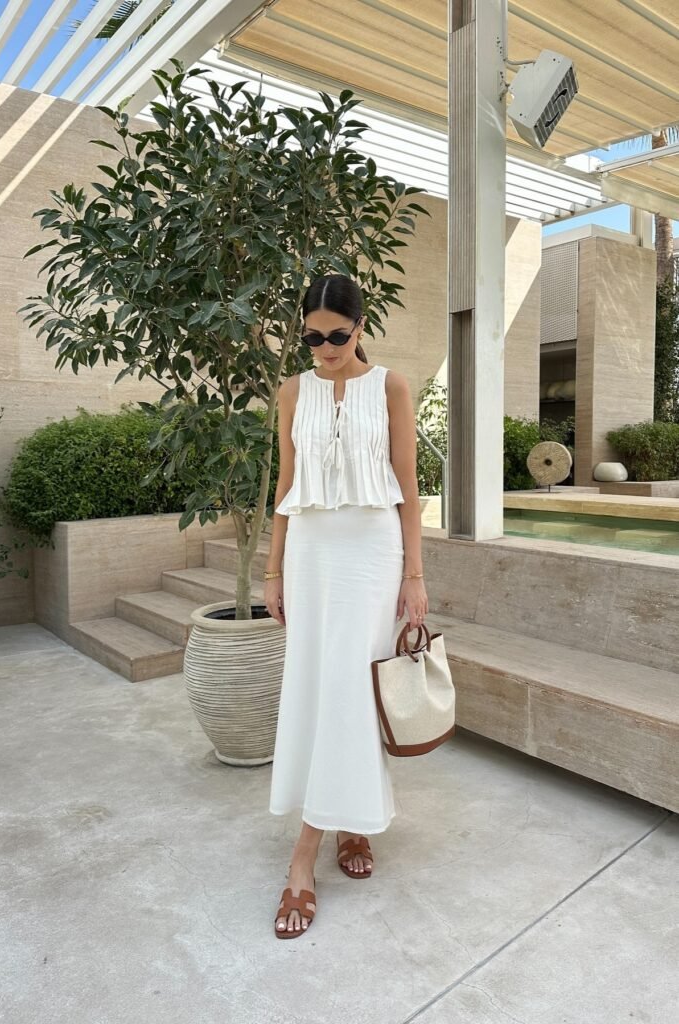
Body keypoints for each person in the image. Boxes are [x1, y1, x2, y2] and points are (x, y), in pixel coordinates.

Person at [264, 274, 428, 939]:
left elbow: (408, 487)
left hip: (368, 550)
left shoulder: (389, 385)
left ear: (360, 328)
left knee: (351, 691)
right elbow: (283, 481)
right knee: (316, 687)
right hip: (309, 551)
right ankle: (352, 821)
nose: (324, 348)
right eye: (311, 336)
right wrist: (271, 571)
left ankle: (303, 860)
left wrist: (413, 574)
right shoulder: (291, 391)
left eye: (336, 335)